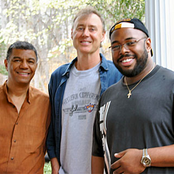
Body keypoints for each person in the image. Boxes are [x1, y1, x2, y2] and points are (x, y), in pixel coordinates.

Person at [92, 18, 174, 174]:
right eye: (116, 46)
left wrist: (144, 157)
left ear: (148, 44)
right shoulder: (107, 96)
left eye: (131, 42)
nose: (123, 50)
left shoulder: (171, 85)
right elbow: (97, 152)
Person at [46, 6, 122, 174]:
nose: (85, 34)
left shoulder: (117, 75)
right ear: (72, 33)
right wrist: (55, 165)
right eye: (80, 28)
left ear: (102, 36)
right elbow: (51, 126)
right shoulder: (58, 77)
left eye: (92, 29)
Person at [0, 41, 51, 173]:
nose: (24, 66)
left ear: (36, 66)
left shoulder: (46, 104)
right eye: (17, 60)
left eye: (30, 61)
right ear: (6, 64)